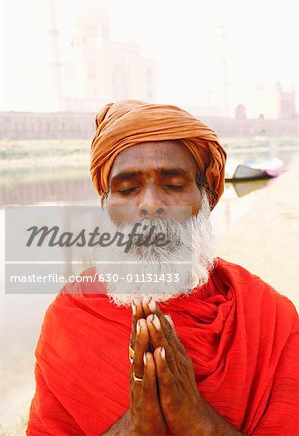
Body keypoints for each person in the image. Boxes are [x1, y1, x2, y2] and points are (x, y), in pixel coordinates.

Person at [27, 100, 299, 436]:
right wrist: (134, 427)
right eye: (127, 189)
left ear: (207, 199)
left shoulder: (268, 316)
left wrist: (198, 421)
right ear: (105, 205)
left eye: (173, 185)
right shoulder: (71, 318)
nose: (151, 205)